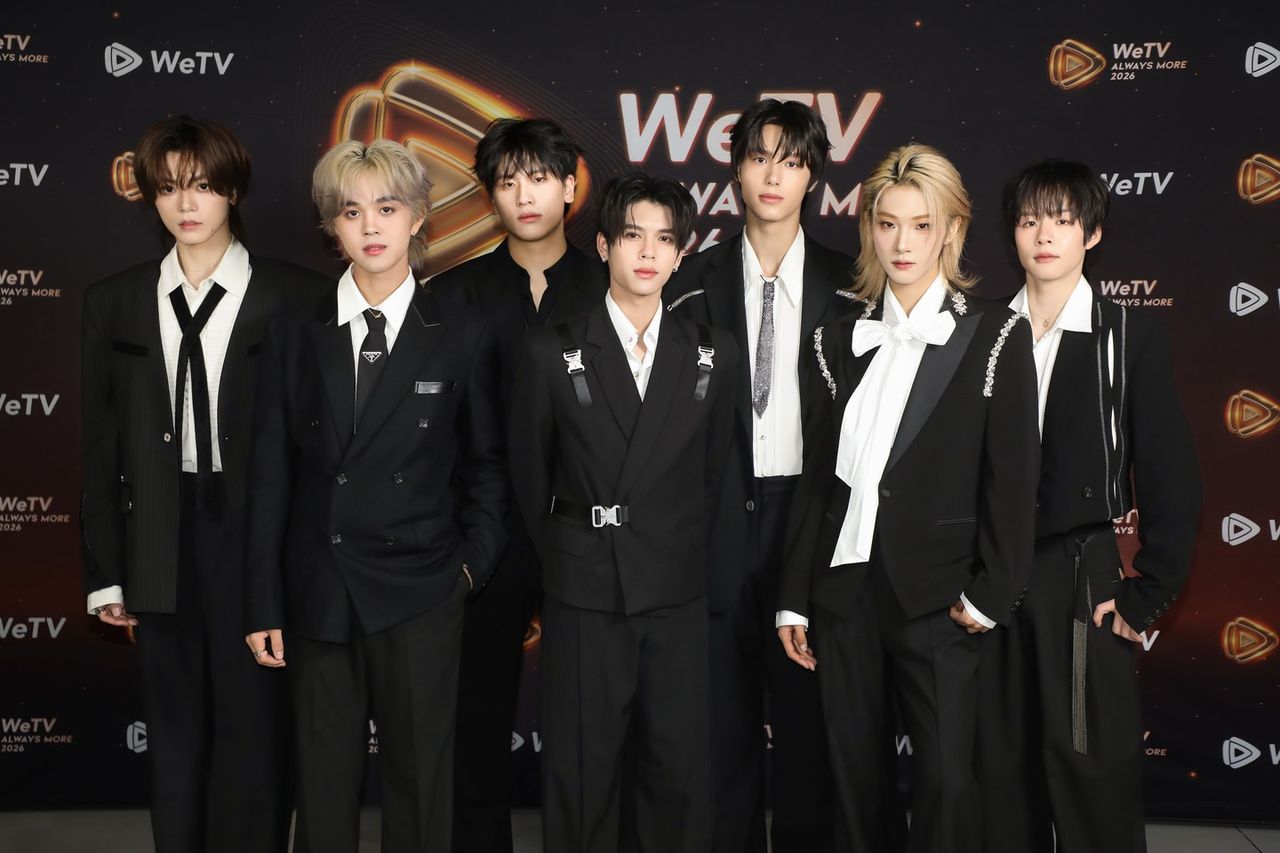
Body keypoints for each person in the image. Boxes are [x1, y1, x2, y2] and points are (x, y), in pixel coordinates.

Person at [242, 138, 506, 853]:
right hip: (320, 591)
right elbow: (270, 475)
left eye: (387, 208)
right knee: (323, 789)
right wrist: (264, 600)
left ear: (417, 217)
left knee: (420, 789)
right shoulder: (295, 333)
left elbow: (486, 469)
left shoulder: (463, 333)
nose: (370, 226)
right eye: (351, 211)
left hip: (422, 588)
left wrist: (467, 571)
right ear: (333, 226)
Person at [775, 144, 1040, 853]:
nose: (902, 242)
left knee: (948, 783)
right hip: (845, 595)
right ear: (869, 228)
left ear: (952, 230)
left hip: (942, 597)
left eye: (921, 225)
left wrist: (992, 592)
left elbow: (1014, 482)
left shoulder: (997, 334)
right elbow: (816, 478)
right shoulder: (836, 338)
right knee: (854, 782)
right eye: (887, 223)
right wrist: (795, 596)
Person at [80, 115, 327, 852]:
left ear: (233, 191)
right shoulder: (114, 300)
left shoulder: (299, 295)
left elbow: (319, 449)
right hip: (159, 533)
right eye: (167, 188)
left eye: (203, 186)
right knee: (176, 732)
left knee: (257, 729)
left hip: (259, 535)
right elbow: (98, 446)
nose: (186, 204)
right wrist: (105, 571)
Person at [508, 172, 738, 852]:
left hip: (676, 592)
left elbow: (714, 476)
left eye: (665, 239)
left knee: (676, 774)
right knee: (583, 775)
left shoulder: (713, 352)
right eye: (633, 235)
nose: (648, 252)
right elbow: (530, 480)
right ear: (604, 245)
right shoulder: (551, 351)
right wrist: (572, 558)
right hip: (585, 591)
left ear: (680, 253)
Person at [977, 159, 1202, 853]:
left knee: (1092, 780)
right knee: (997, 783)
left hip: (1080, 576)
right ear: (1012, 233)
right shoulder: (979, 332)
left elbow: (1170, 474)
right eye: (1029, 220)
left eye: (1063, 219)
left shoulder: (1127, 335)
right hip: (988, 577)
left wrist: (1149, 592)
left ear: (1092, 233)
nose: (1044, 234)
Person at [664, 97, 853, 853]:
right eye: (760, 158)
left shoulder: (853, 285)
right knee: (720, 728)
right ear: (737, 170)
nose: (774, 176)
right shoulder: (691, 282)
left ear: (813, 178)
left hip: (813, 521)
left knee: (810, 727)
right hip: (716, 520)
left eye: (793, 161)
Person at [427, 117, 606, 853]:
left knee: (592, 718)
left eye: (538, 178)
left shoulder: (611, 286)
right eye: (506, 182)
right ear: (489, 195)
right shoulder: (452, 293)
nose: (524, 195)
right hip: (485, 532)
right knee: (476, 715)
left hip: (588, 531)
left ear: (569, 186)